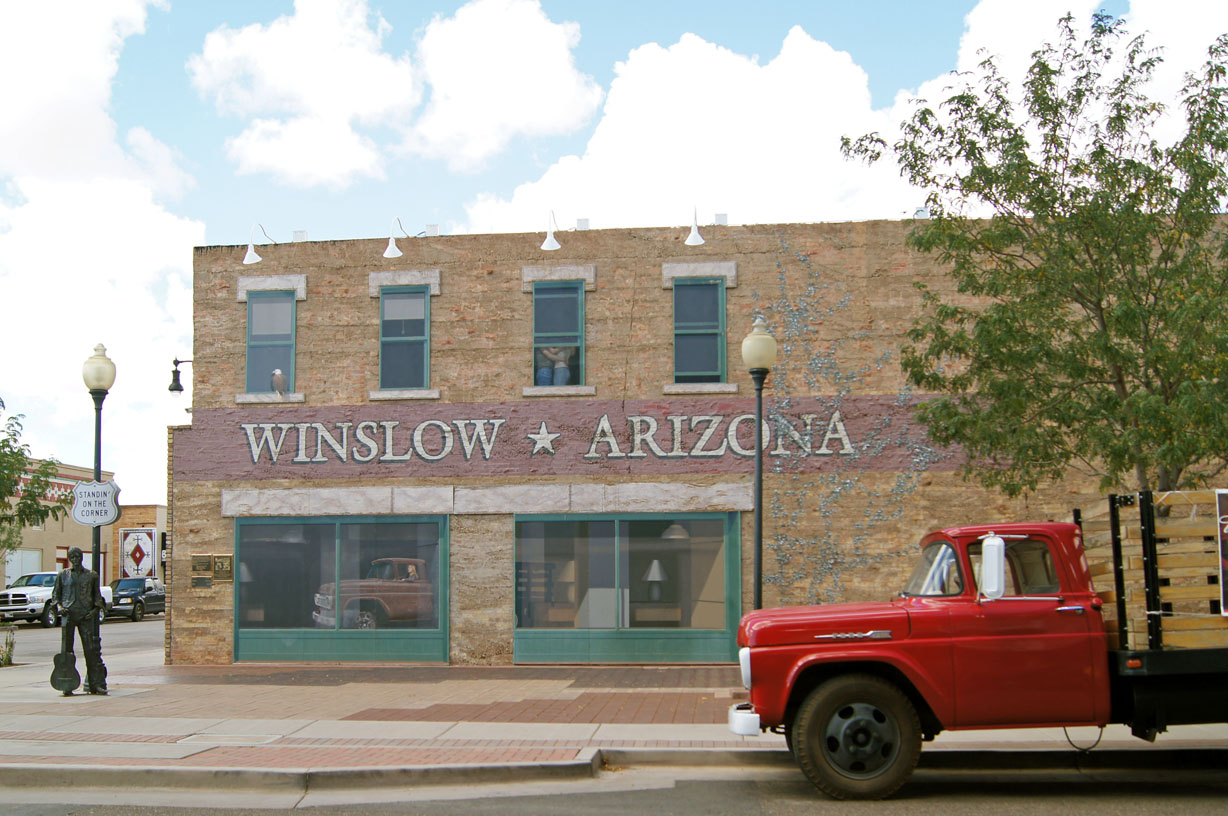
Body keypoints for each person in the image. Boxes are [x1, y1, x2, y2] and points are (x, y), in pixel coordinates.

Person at [50, 547, 108, 695]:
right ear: (69, 558)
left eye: (78, 556)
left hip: (84, 615)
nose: (75, 559)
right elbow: (55, 595)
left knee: (90, 651)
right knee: (67, 652)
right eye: (72, 556)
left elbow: (97, 597)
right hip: (68, 615)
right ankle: (67, 685)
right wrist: (60, 607)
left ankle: (95, 685)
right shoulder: (63, 575)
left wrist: (94, 612)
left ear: (82, 557)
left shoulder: (91, 576)